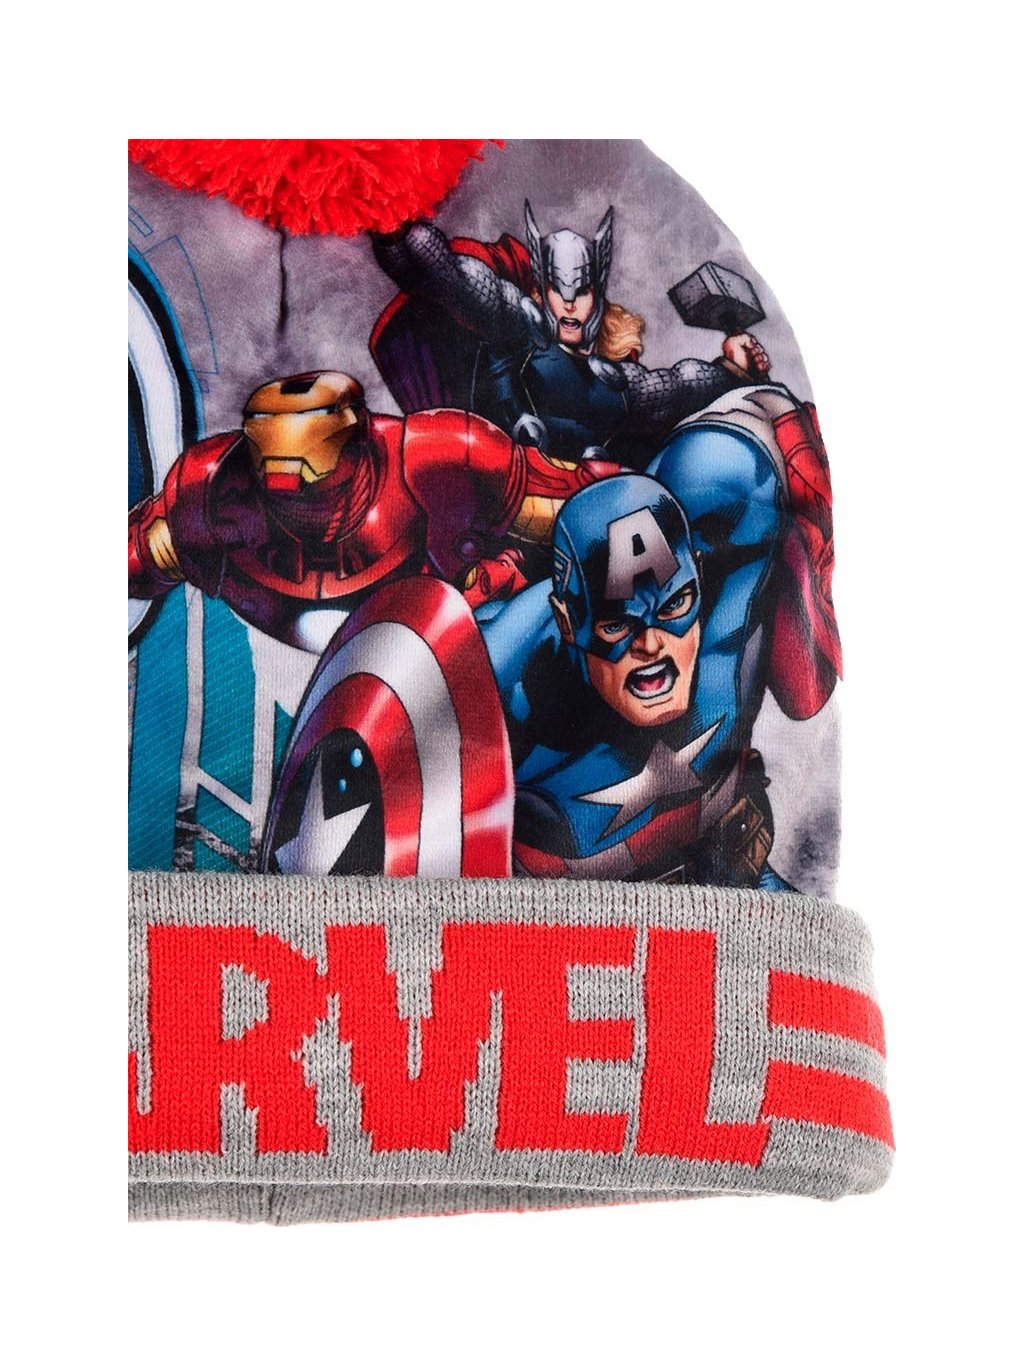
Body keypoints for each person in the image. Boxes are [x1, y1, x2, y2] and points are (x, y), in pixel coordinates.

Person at [128, 370, 619, 652]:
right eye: (281, 492)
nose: (301, 504)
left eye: (316, 488)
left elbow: (599, 502)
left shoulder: (441, 458)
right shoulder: (206, 494)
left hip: (474, 644)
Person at [478, 459, 796, 888]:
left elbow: (748, 460)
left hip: (745, 899)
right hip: (553, 922)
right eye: (618, 625)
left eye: (673, 605)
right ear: (568, 624)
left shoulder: (728, 632)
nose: (650, 644)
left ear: (697, 576)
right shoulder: (503, 686)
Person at [371, 202, 770, 465]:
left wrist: (732, 368)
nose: (568, 303)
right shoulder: (519, 329)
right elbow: (464, 284)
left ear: (596, 296)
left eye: (581, 291)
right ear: (542, 291)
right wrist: (395, 230)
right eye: (557, 291)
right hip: (500, 501)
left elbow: (676, 388)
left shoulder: (612, 381)